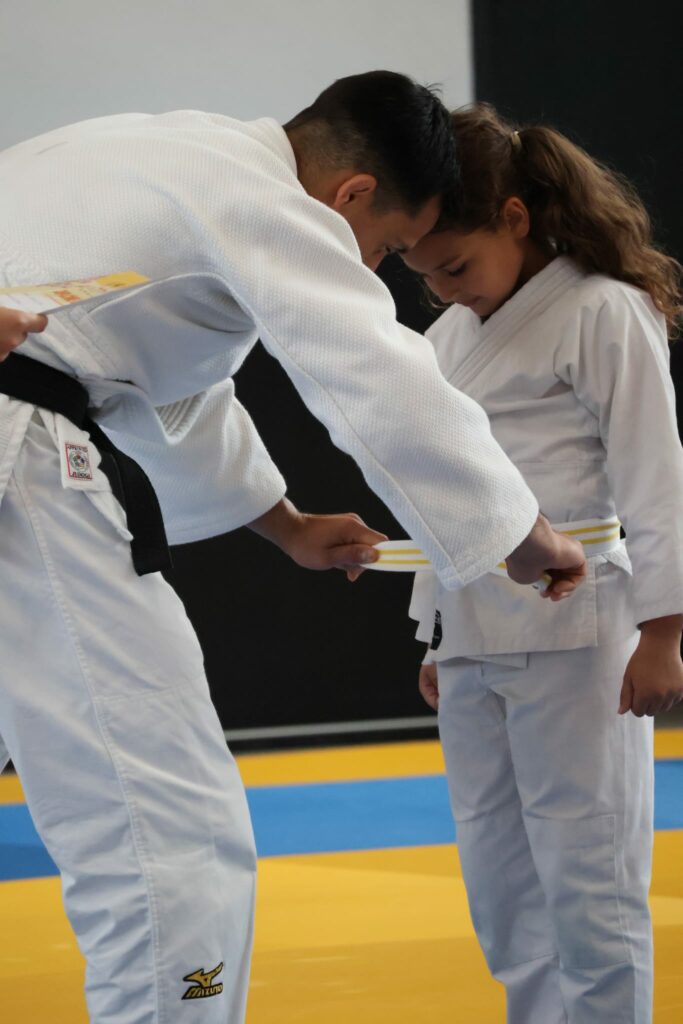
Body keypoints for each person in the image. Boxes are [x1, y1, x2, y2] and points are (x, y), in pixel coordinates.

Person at [0, 74, 584, 1024]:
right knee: (169, 825)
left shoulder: (164, 155)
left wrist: (286, 523)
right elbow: (373, 372)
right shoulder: (259, 193)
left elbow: (173, 387)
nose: (374, 268)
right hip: (20, 450)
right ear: (352, 193)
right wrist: (521, 533)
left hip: (29, 405)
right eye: (384, 249)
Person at [403, 103, 683, 1024]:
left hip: (582, 626)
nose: (443, 291)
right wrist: (435, 633)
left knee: (587, 867)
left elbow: (653, 475)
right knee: (498, 875)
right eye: (423, 275)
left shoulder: (602, 309)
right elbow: (447, 490)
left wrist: (663, 632)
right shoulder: (443, 342)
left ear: (515, 218)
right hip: (470, 627)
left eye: (455, 266)